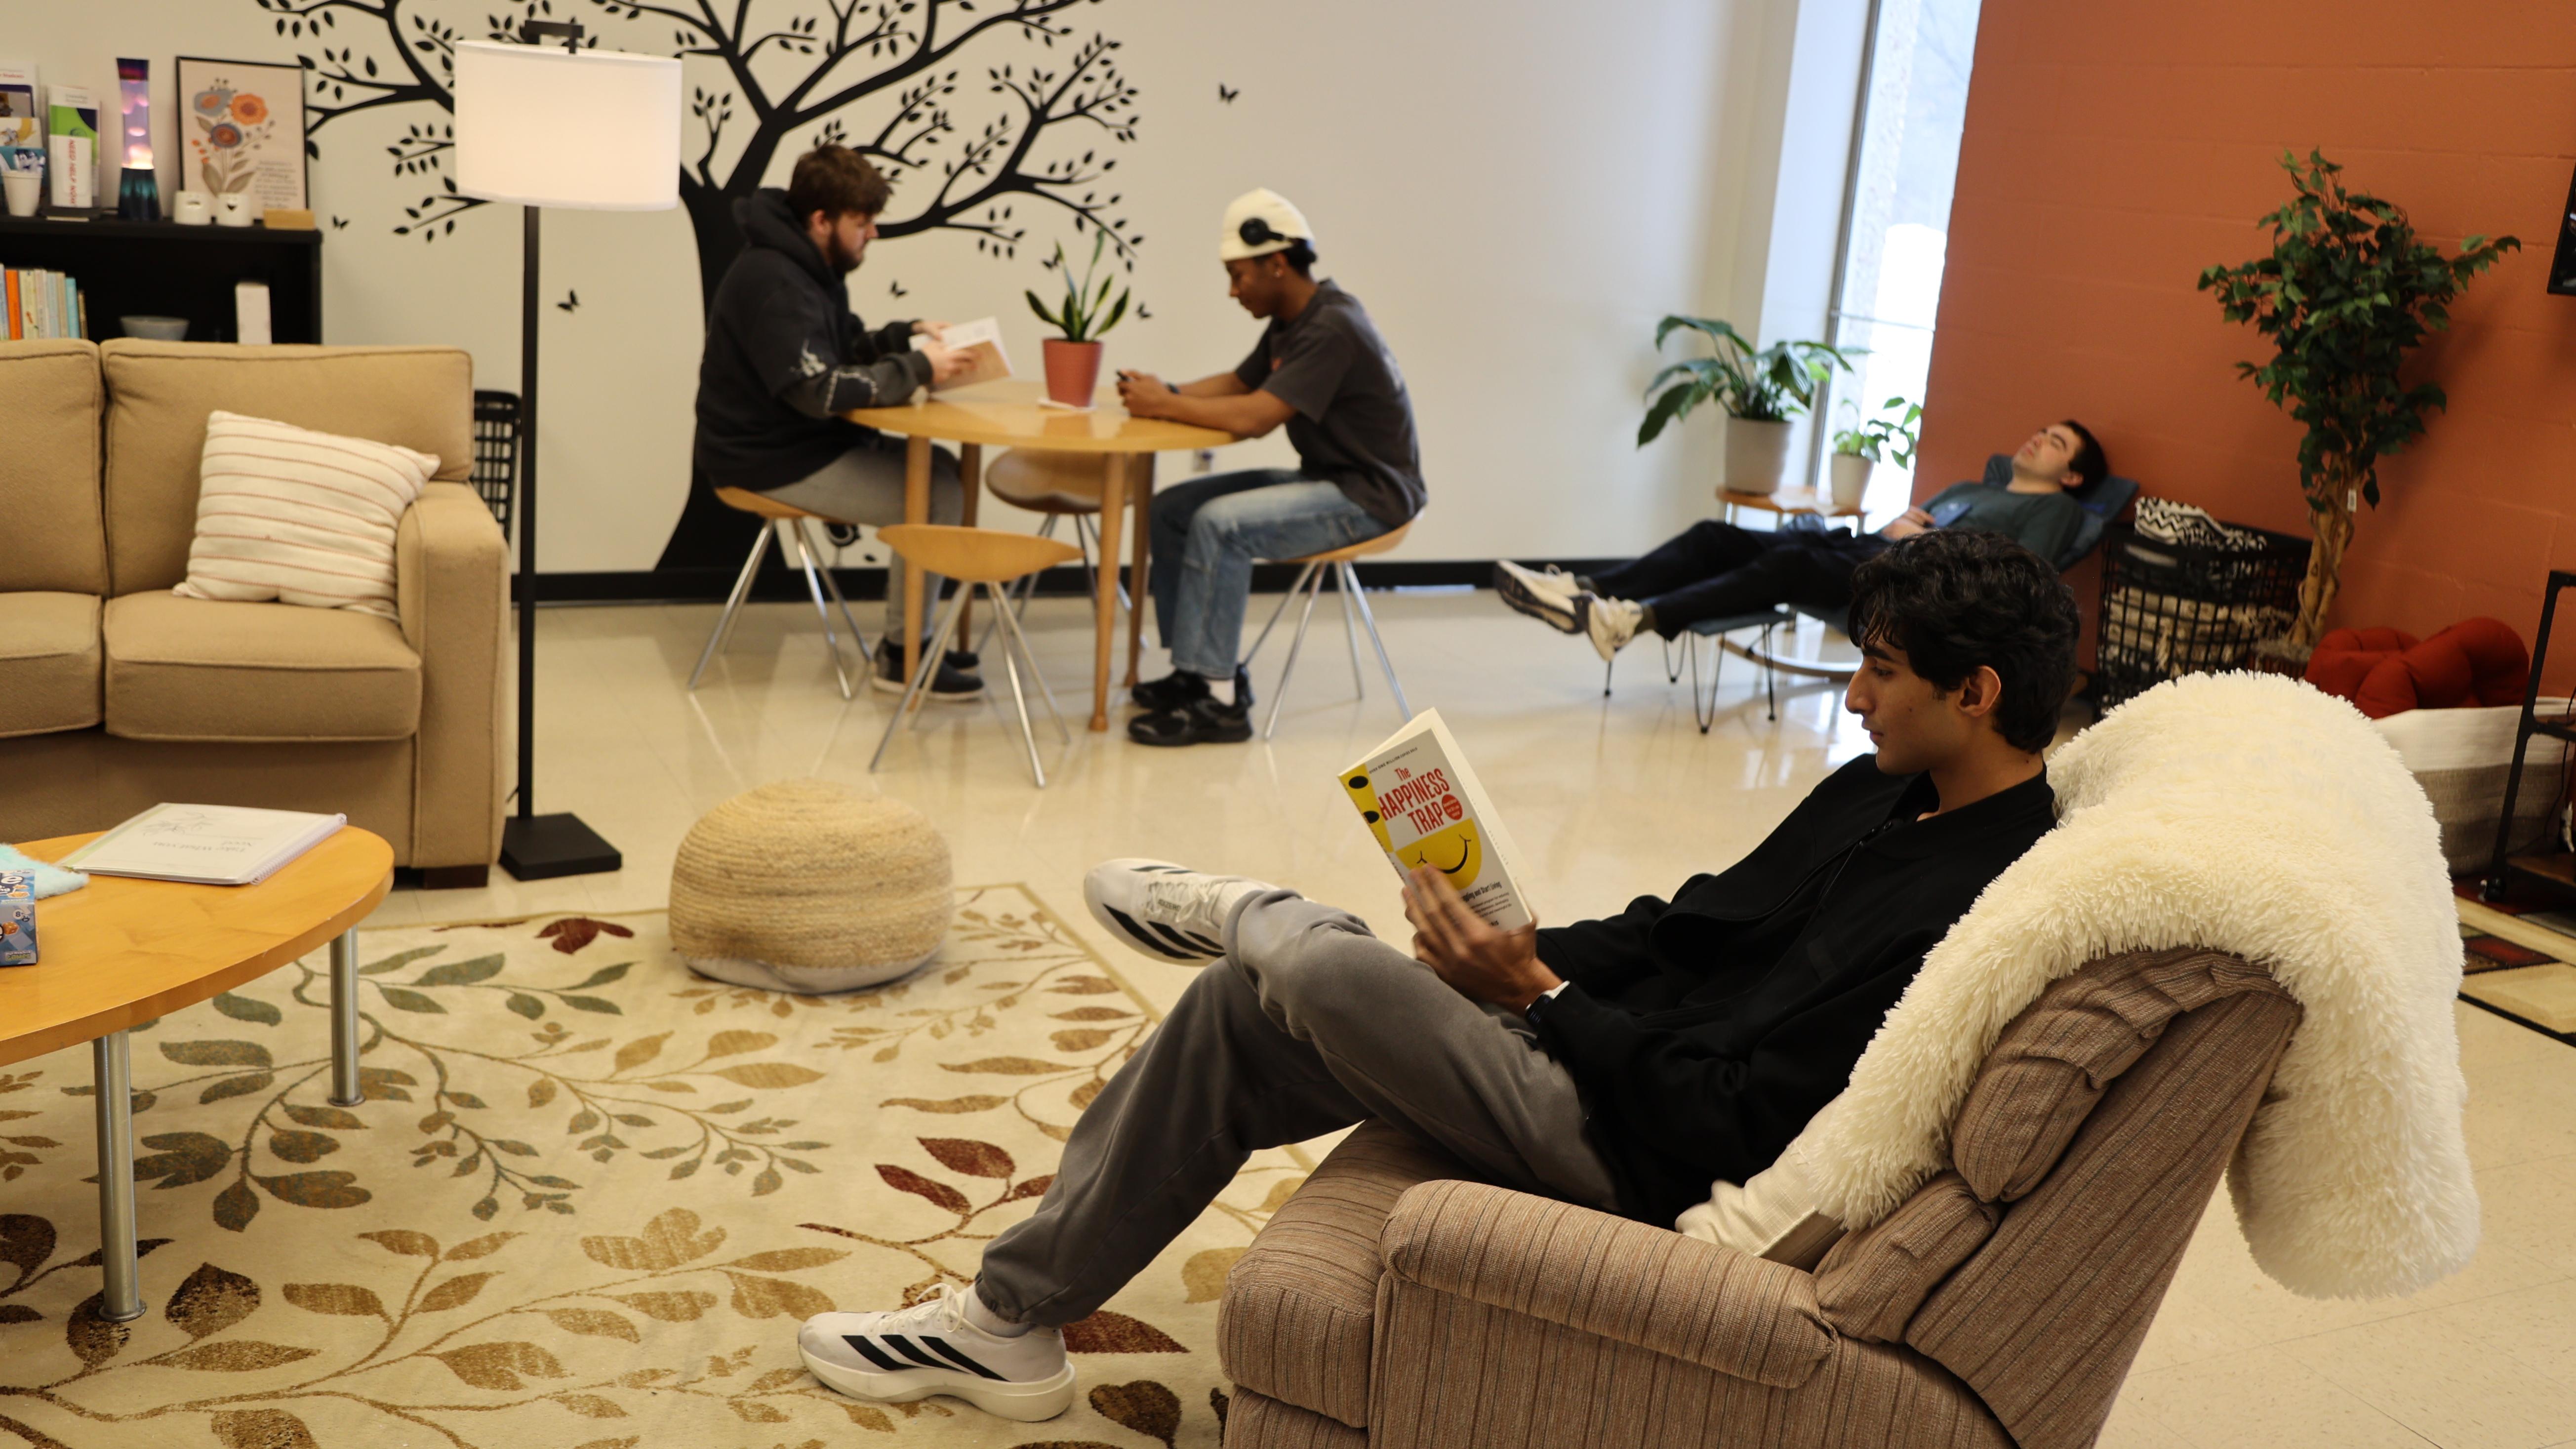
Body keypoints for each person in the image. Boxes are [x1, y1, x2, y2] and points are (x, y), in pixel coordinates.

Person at [792, 528, 2080, 1423]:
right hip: (1592, 1049)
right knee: (1239, 1005)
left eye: (1881, 672)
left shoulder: (1976, 905)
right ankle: (1006, 1322)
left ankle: (1252, 912)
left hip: (1632, 1152)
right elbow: (1683, 929)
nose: (1851, 698)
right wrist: (1523, 951)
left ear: (1974, 692)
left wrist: (1538, 1000)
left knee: (1317, 970)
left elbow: (1736, 1118)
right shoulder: (1880, 788)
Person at [1111, 188, 1426, 746]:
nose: (1233, 291)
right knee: (1173, 509)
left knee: (1220, 525)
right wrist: (1167, 391)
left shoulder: (1331, 327)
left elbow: (1257, 416)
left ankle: (1220, 702)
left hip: (1369, 497)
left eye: (1238, 277)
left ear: (1276, 264)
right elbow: (1240, 383)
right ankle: (1195, 670)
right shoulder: (1296, 318)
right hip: (1329, 479)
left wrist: (1164, 405)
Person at [693, 144, 985, 698]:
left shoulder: (810, 266)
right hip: (765, 458)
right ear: (821, 220)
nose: (873, 232)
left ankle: (910, 641)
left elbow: (840, 347)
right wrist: (920, 367)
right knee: (934, 494)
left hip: (798, 444)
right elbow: (821, 391)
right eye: (862, 221)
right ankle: (903, 656)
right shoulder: (775, 281)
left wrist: (907, 335)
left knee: (943, 468)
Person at [1497, 419, 2106, 661]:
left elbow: (2018, 575)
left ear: (2072, 476)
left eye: (2055, 443)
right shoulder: (1972, 487)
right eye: (2040, 430)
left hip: (1906, 584)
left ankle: (1630, 620)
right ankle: (1581, 588)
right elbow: (1912, 524)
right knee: (1714, 536)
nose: (2036, 438)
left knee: (1789, 559)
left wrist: (1918, 543)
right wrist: (1899, 526)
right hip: (1868, 548)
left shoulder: (2053, 509)